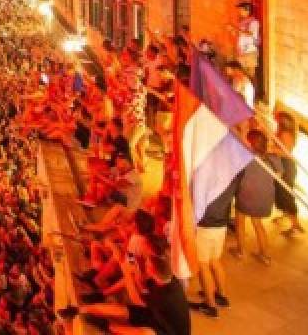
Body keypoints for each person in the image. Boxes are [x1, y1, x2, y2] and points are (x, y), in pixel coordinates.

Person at [59, 253, 189, 335]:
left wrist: (127, 272)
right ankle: (77, 310)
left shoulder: (165, 298)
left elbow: (135, 297)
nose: (145, 266)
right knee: (120, 310)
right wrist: (136, 271)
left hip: (169, 331)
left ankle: (108, 326)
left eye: (147, 266)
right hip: (155, 316)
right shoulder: (167, 279)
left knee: (145, 333)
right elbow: (143, 289)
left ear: (152, 272)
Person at [231, 129, 282, 265]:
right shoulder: (273, 157)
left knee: (240, 222)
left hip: (247, 196)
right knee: (257, 224)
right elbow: (279, 175)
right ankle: (265, 256)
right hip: (264, 198)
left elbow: (235, 174)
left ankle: (241, 251)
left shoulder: (245, 157)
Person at [193, 181, 236, 317]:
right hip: (221, 223)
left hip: (206, 225)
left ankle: (210, 305)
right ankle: (221, 296)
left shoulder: (212, 175)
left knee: (202, 264)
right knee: (215, 261)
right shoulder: (233, 173)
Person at [273, 111, 304, 236]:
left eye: (278, 119)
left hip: (286, 166)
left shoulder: (285, 134)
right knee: (282, 193)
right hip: (285, 165)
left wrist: (270, 149)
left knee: (286, 194)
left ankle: (295, 225)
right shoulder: (285, 132)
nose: (276, 120)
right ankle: (286, 214)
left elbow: (285, 152)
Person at [229, 1, 261, 94]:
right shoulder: (242, 22)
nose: (239, 12)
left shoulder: (254, 22)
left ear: (247, 11)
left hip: (250, 52)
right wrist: (232, 31)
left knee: (251, 75)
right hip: (241, 52)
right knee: (241, 74)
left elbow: (250, 34)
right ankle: (243, 93)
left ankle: (254, 95)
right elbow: (240, 35)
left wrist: (235, 29)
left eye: (241, 10)